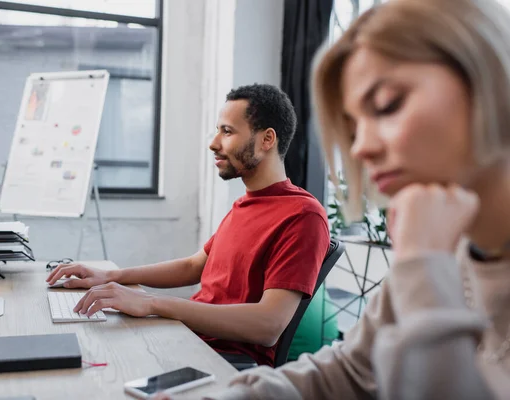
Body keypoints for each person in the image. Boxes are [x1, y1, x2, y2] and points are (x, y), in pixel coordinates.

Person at [196, 0, 510, 399]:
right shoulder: (450, 252)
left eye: (387, 105)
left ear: (486, 78)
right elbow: (351, 369)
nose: (359, 148)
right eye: (354, 126)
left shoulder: (425, 256)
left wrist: (424, 266)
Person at [46, 84, 331, 367]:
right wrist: (111, 276)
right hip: (189, 339)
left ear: (267, 139)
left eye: (227, 131)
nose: (214, 143)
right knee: (82, 345)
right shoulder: (246, 203)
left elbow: (268, 326)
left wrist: (152, 303)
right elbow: (195, 266)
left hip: (225, 361)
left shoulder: (302, 216)